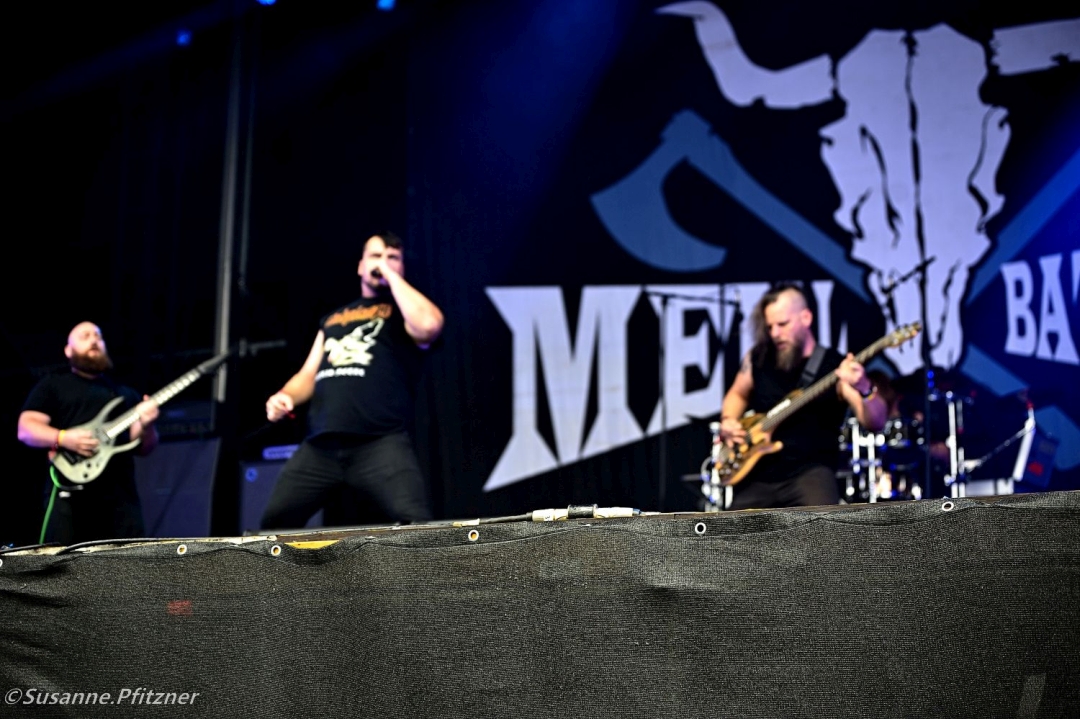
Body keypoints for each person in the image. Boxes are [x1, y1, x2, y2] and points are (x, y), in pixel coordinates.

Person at [261, 231, 444, 530]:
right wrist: (286, 396)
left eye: (392, 257)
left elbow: (429, 325)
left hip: (379, 443)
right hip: (321, 445)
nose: (382, 262)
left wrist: (390, 275)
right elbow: (308, 373)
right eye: (375, 256)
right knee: (273, 524)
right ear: (360, 265)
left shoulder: (403, 313)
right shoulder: (333, 319)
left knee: (416, 526)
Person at [718, 284, 886, 509]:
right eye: (770, 327)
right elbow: (737, 393)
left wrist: (864, 386)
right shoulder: (758, 358)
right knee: (729, 529)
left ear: (806, 318)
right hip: (757, 476)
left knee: (822, 525)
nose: (775, 334)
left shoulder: (835, 367)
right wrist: (728, 420)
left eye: (783, 324)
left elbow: (875, 422)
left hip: (810, 473)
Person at [17, 321, 160, 544]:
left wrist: (147, 425)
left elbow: (144, 447)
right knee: (61, 560)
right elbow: (26, 428)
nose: (94, 340)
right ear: (68, 350)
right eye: (85, 336)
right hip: (69, 494)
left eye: (98, 336)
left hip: (120, 501)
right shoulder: (53, 385)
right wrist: (63, 438)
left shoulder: (124, 393)